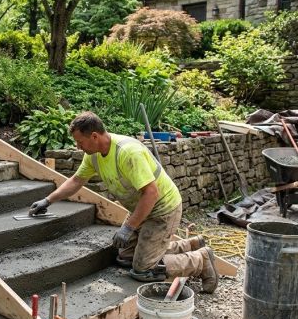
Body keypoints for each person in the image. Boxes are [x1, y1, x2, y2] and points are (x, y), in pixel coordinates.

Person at [28, 111, 219, 293]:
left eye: (80, 142)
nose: (78, 147)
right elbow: (77, 181)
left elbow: (151, 193)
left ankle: (200, 260)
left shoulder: (127, 153)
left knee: (142, 269)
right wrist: (48, 200)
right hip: (140, 208)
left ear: (94, 136)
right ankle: (190, 244)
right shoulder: (93, 155)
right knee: (125, 258)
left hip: (162, 209)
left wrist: (129, 227)